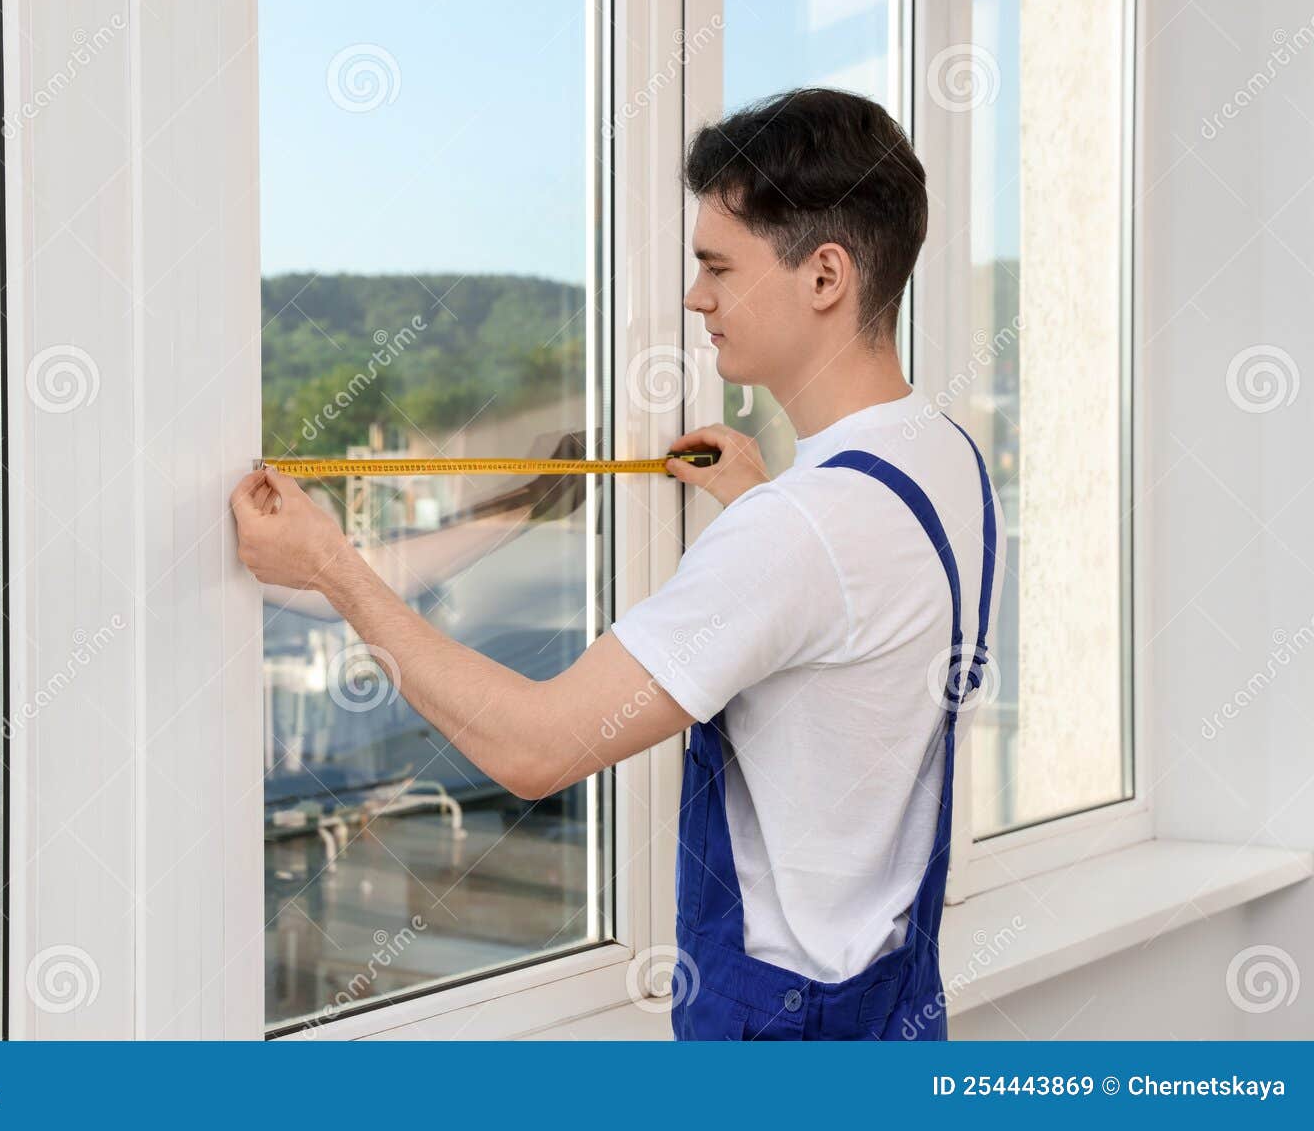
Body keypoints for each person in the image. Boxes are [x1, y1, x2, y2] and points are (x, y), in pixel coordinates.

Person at [231, 87, 1004, 1041]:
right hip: (890, 1010)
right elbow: (841, 617)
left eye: (718, 265)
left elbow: (534, 746)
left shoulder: (802, 532)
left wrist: (331, 568)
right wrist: (756, 496)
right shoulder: (940, 457)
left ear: (826, 276)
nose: (695, 297)